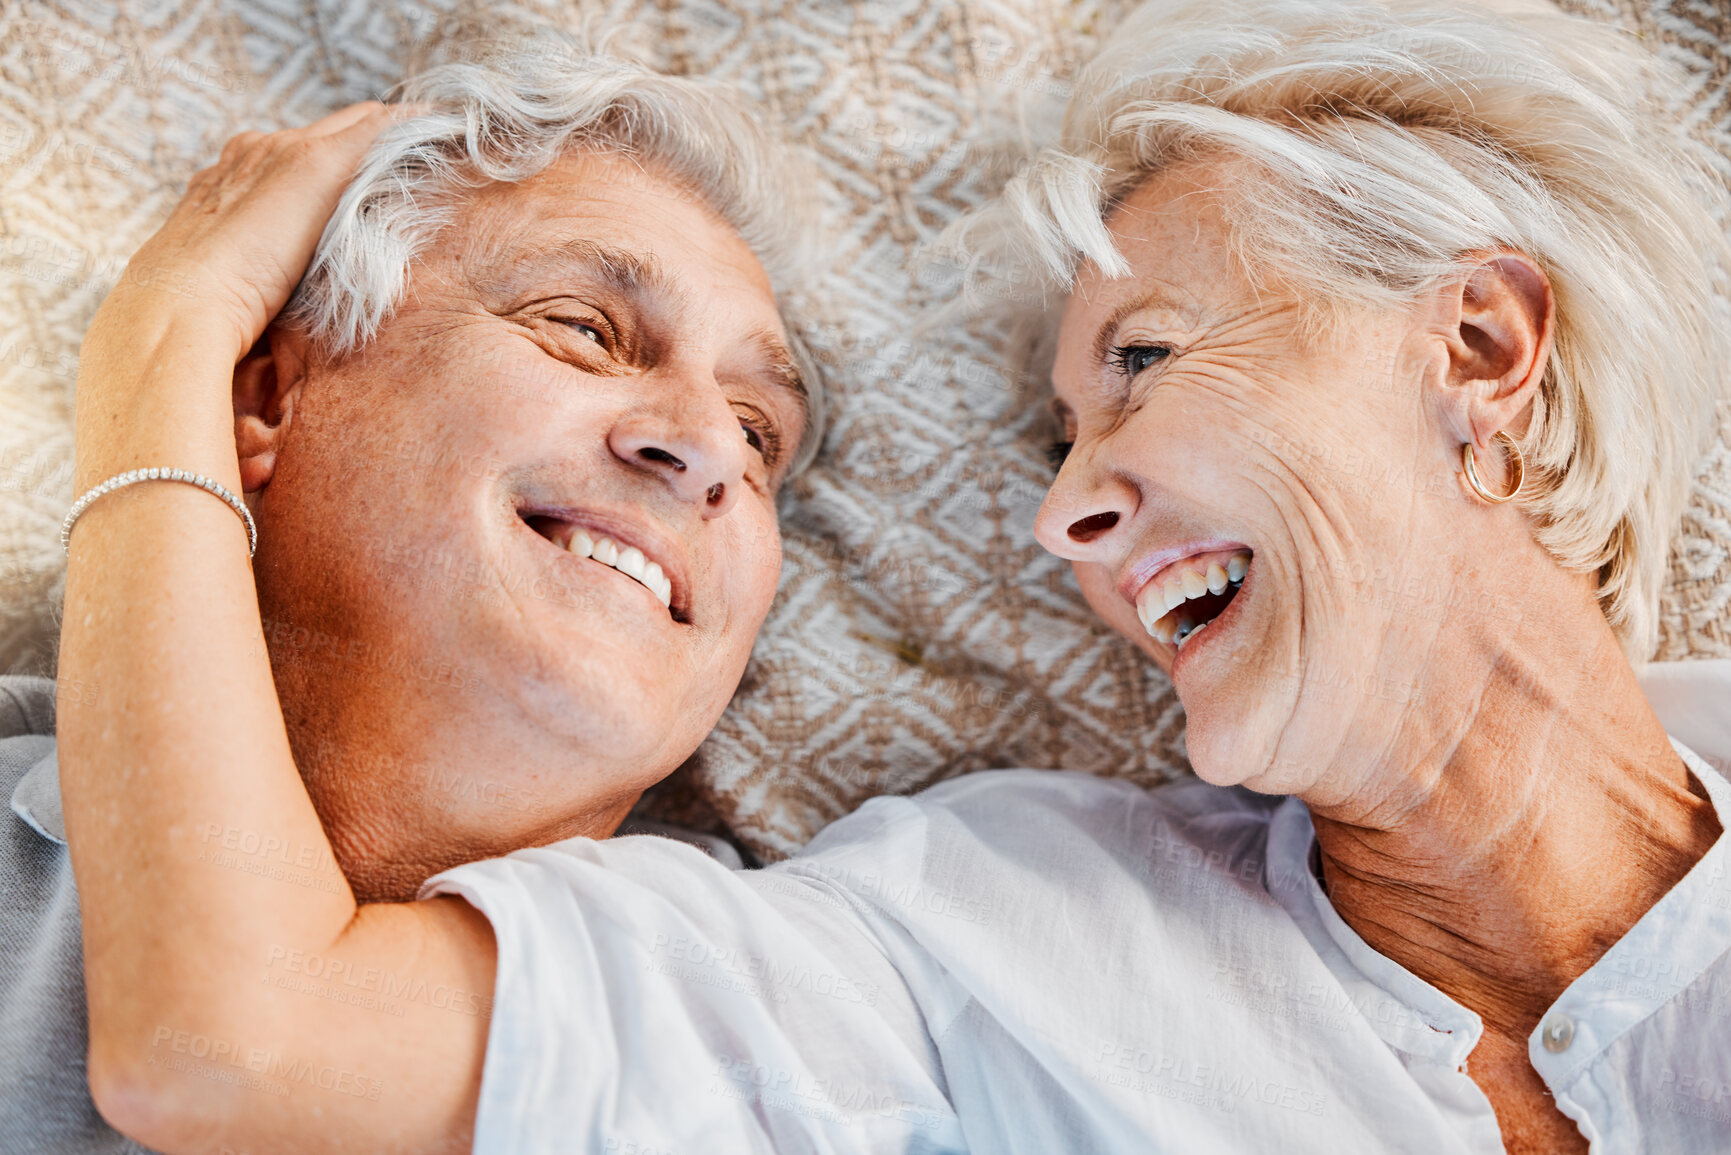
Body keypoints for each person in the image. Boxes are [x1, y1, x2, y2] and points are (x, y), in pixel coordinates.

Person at [58, 1, 1731, 1153]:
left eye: (1146, 362)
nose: (1063, 516)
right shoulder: (985, 925)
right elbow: (242, 1044)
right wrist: (159, 357)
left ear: (1481, 345)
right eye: (1061, 440)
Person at [1, 29, 827, 1154]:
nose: (708, 451)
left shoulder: (774, 1005)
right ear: (265, 397)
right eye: (584, 330)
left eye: (758, 431)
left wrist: (156, 341)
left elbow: (232, 1055)